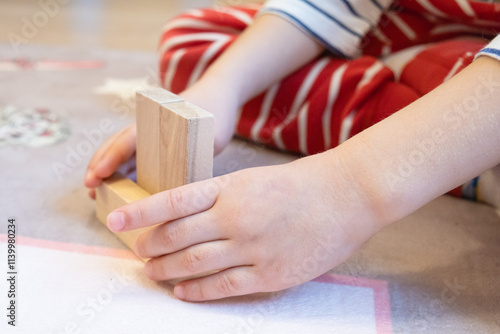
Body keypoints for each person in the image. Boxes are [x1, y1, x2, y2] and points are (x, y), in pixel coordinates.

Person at [84, 0, 500, 301]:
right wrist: (218, 89)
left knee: (460, 85)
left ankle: (451, 137)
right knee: (195, 39)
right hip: (418, 27)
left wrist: (348, 188)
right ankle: (438, 123)